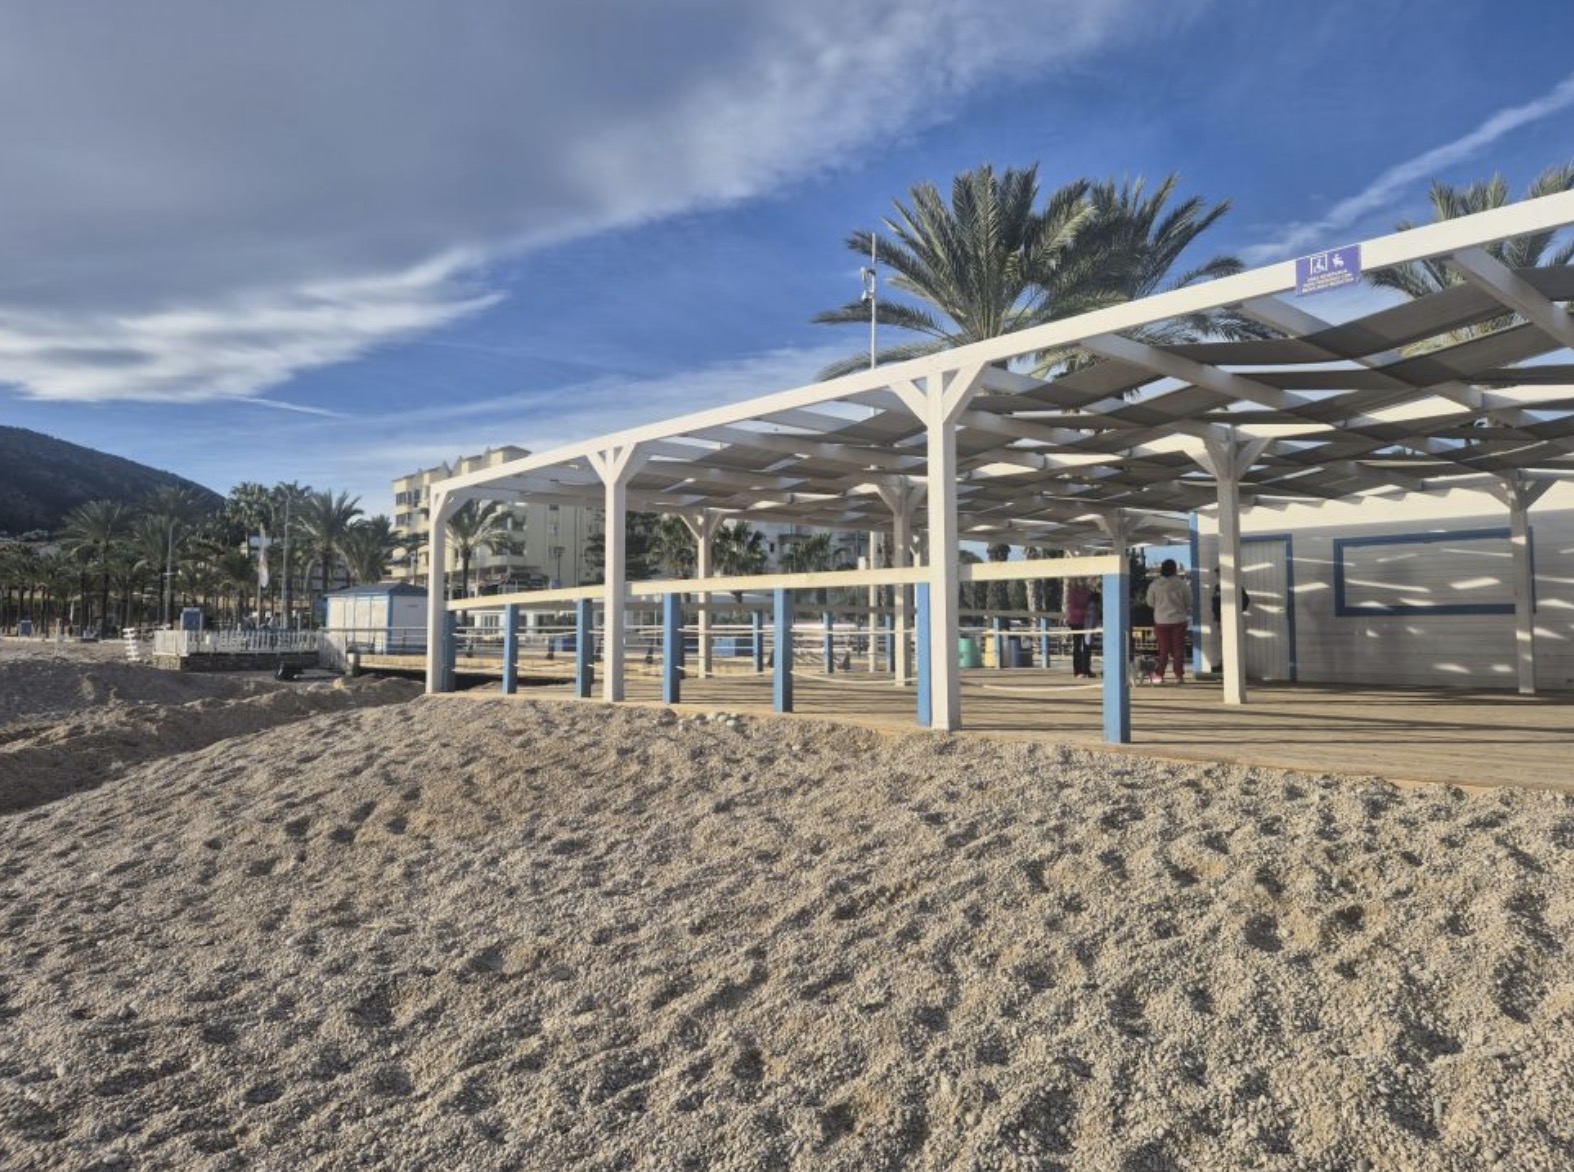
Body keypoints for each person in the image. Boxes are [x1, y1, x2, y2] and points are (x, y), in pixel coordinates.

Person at [1145, 558, 1192, 684]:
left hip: (1161, 621)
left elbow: (1149, 603)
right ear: (1175, 569)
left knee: (1163, 650)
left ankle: (1159, 675)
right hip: (1179, 620)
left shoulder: (1154, 585)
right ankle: (1179, 676)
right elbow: (1189, 602)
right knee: (1178, 649)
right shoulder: (1182, 584)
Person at [1065, 577, 1094, 678]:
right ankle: (1077, 671)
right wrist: (1085, 612)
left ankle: (1086, 669)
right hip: (1076, 622)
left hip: (1087, 622)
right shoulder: (1072, 592)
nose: (1083, 581)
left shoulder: (1088, 592)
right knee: (1077, 646)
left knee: (1088, 645)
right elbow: (1072, 609)